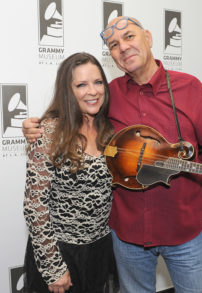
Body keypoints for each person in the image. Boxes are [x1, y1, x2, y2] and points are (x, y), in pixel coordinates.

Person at [23, 17, 202, 293]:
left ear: (148, 38)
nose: (123, 47)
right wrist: (34, 128)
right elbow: (68, 116)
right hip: (127, 235)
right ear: (111, 55)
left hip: (184, 232)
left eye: (129, 37)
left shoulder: (190, 88)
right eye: (114, 44)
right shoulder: (108, 96)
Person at [23, 52, 119, 293]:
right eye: (81, 85)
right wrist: (54, 267)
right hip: (61, 252)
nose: (93, 91)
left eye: (98, 82)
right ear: (68, 90)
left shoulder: (110, 129)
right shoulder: (49, 132)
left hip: (99, 250)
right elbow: (35, 206)